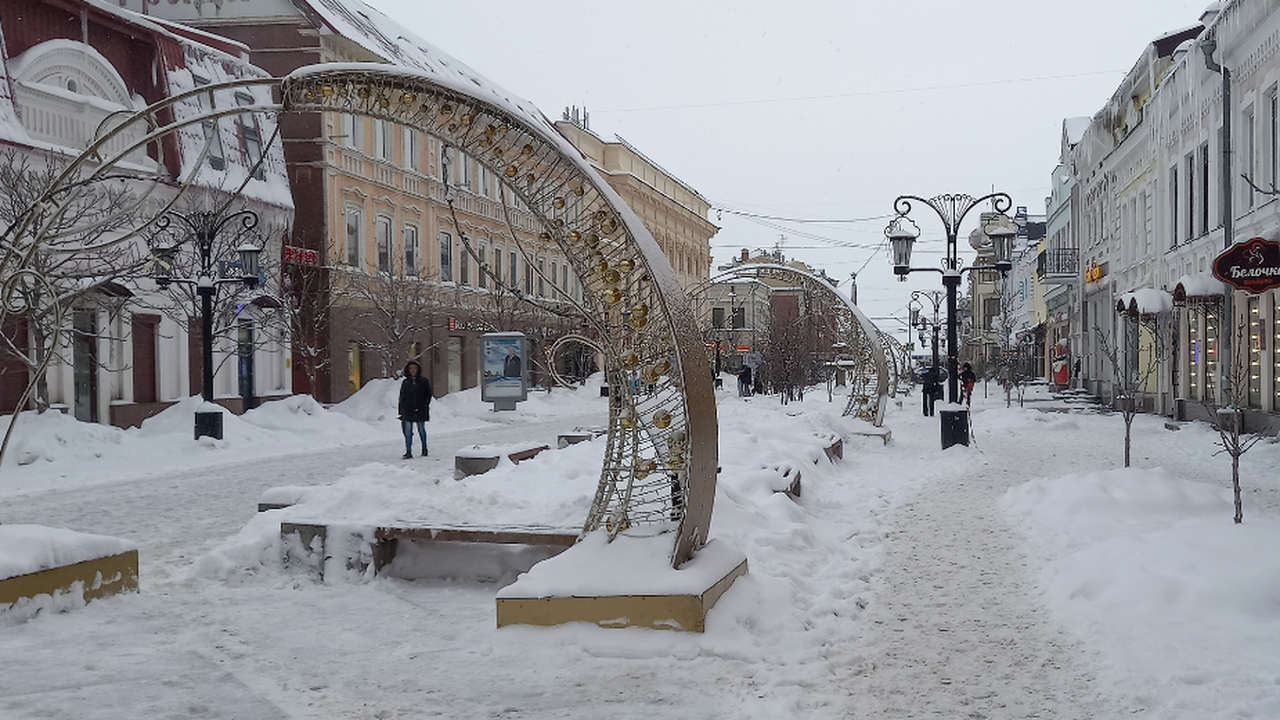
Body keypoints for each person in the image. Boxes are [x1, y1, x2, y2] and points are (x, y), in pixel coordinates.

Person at [398, 360, 432, 459]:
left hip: (421, 409)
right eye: (411, 368)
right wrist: (401, 411)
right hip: (408, 410)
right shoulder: (406, 382)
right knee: (408, 432)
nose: (413, 370)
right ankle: (408, 451)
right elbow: (402, 397)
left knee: (421, 429)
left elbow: (428, 394)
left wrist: (424, 405)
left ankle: (424, 449)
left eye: (414, 368)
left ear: (418, 369)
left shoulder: (424, 381)